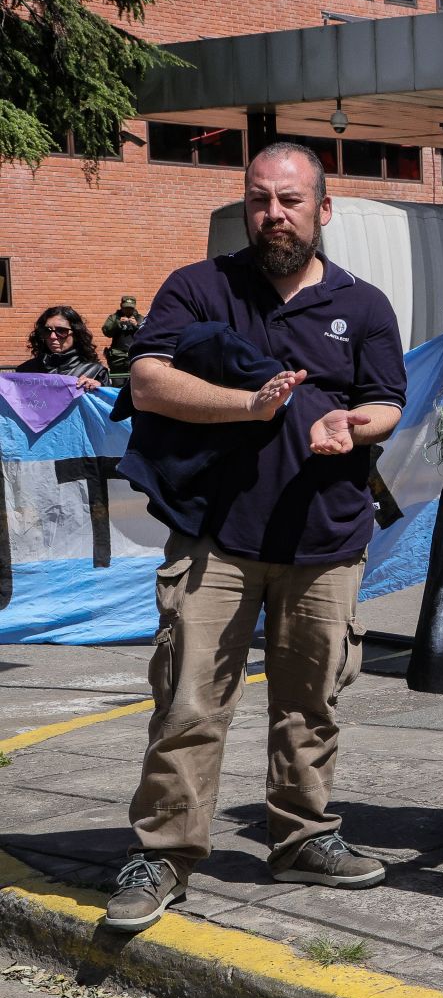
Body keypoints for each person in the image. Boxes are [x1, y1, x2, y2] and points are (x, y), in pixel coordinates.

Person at [101, 142, 407, 934]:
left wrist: (352, 424)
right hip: (216, 537)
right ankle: (164, 853)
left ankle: (302, 836)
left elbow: (387, 404)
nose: (274, 214)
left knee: (312, 704)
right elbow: (146, 379)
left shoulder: (365, 305)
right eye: (260, 199)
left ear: (323, 210)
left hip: (326, 537)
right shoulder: (200, 287)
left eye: (291, 200)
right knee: (188, 702)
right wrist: (248, 408)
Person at [18, 306, 107, 390]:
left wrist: (99, 390)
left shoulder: (95, 371)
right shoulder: (25, 370)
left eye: (61, 331)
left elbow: (108, 404)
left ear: (76, 334)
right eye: (47, 331)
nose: (53, 336)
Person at [103, 295, 144, 378]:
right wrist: (117, 324)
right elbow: (106, 332)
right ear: (121, 306)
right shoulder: (114, 318)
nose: (128, 310)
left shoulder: (140, 318)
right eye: (126, 308)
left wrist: (136, 325)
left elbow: (148, 333)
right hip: (117, 357)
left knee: (135, 383)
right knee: (117, 383)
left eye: (130, 308)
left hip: (135, 356)